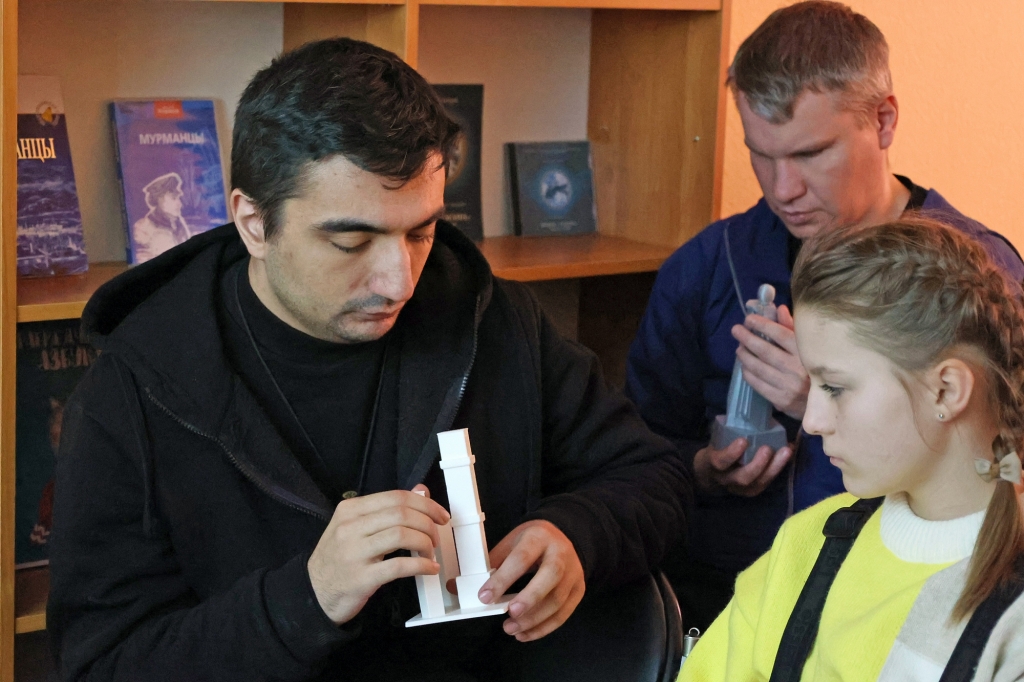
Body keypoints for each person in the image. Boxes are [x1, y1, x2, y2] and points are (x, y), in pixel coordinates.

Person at [48, 38, 691, 681]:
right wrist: (305, 601)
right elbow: (101, 663)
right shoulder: (135, 389)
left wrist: (579, 535)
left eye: (421, 232)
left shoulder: (493, 320)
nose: (399, 281)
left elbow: (655, 476)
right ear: (253, 222)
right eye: (352, 241)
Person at [626, 0, 1024, 631]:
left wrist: (827, 396)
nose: (782, 188)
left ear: (884, 120)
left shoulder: (977, 274)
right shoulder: (705, 267)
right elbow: (635, 453)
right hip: (719, 611)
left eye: (811, 153)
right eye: (761, 154)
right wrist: (704, 470)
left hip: (900, 616)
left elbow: (1002, 473)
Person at [679, 217, 1024, 681]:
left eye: (835, 388)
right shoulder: (805, 545)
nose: (812, 422)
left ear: (945, 390)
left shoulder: (1012, 619)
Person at [132, 171, 193, 263]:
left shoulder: (178, 224)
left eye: (179, 198)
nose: (180, 204)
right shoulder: (143, 228)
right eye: (174, 198)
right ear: (159, 199)